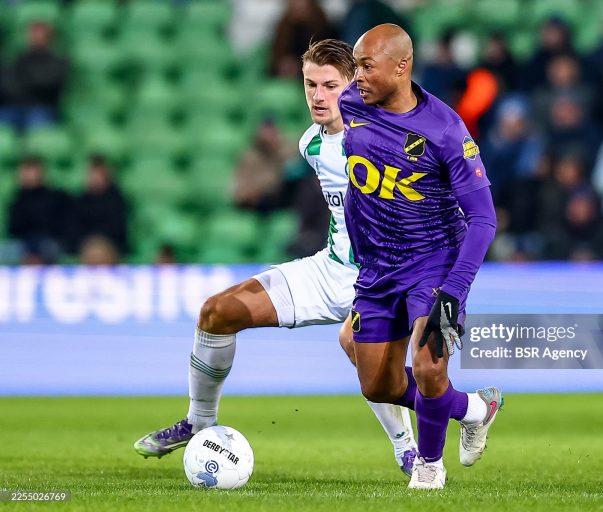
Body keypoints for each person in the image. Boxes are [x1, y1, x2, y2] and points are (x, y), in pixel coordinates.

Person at [134, 39, 418, 476]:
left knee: (361, 352)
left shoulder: (387, 139)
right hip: (329, 269)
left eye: (330, 85)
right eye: (310, 85)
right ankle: (199, 422)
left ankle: (409, 448)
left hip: (383, 278)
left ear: (355, 86)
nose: (318, 96)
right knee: (217, 312)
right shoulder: (311, 144)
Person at [339, 24, 502, 490]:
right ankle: (473, 408)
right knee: (378, 385)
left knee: (429, 366)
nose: (359, 77)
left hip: (433, 261)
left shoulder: (445, 129)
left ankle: (430, 466)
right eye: (356, 67)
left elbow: (484, 219)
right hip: (377, 267)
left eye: (367, 66)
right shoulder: (352, 104)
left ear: (402, 66)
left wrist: (454, 291)